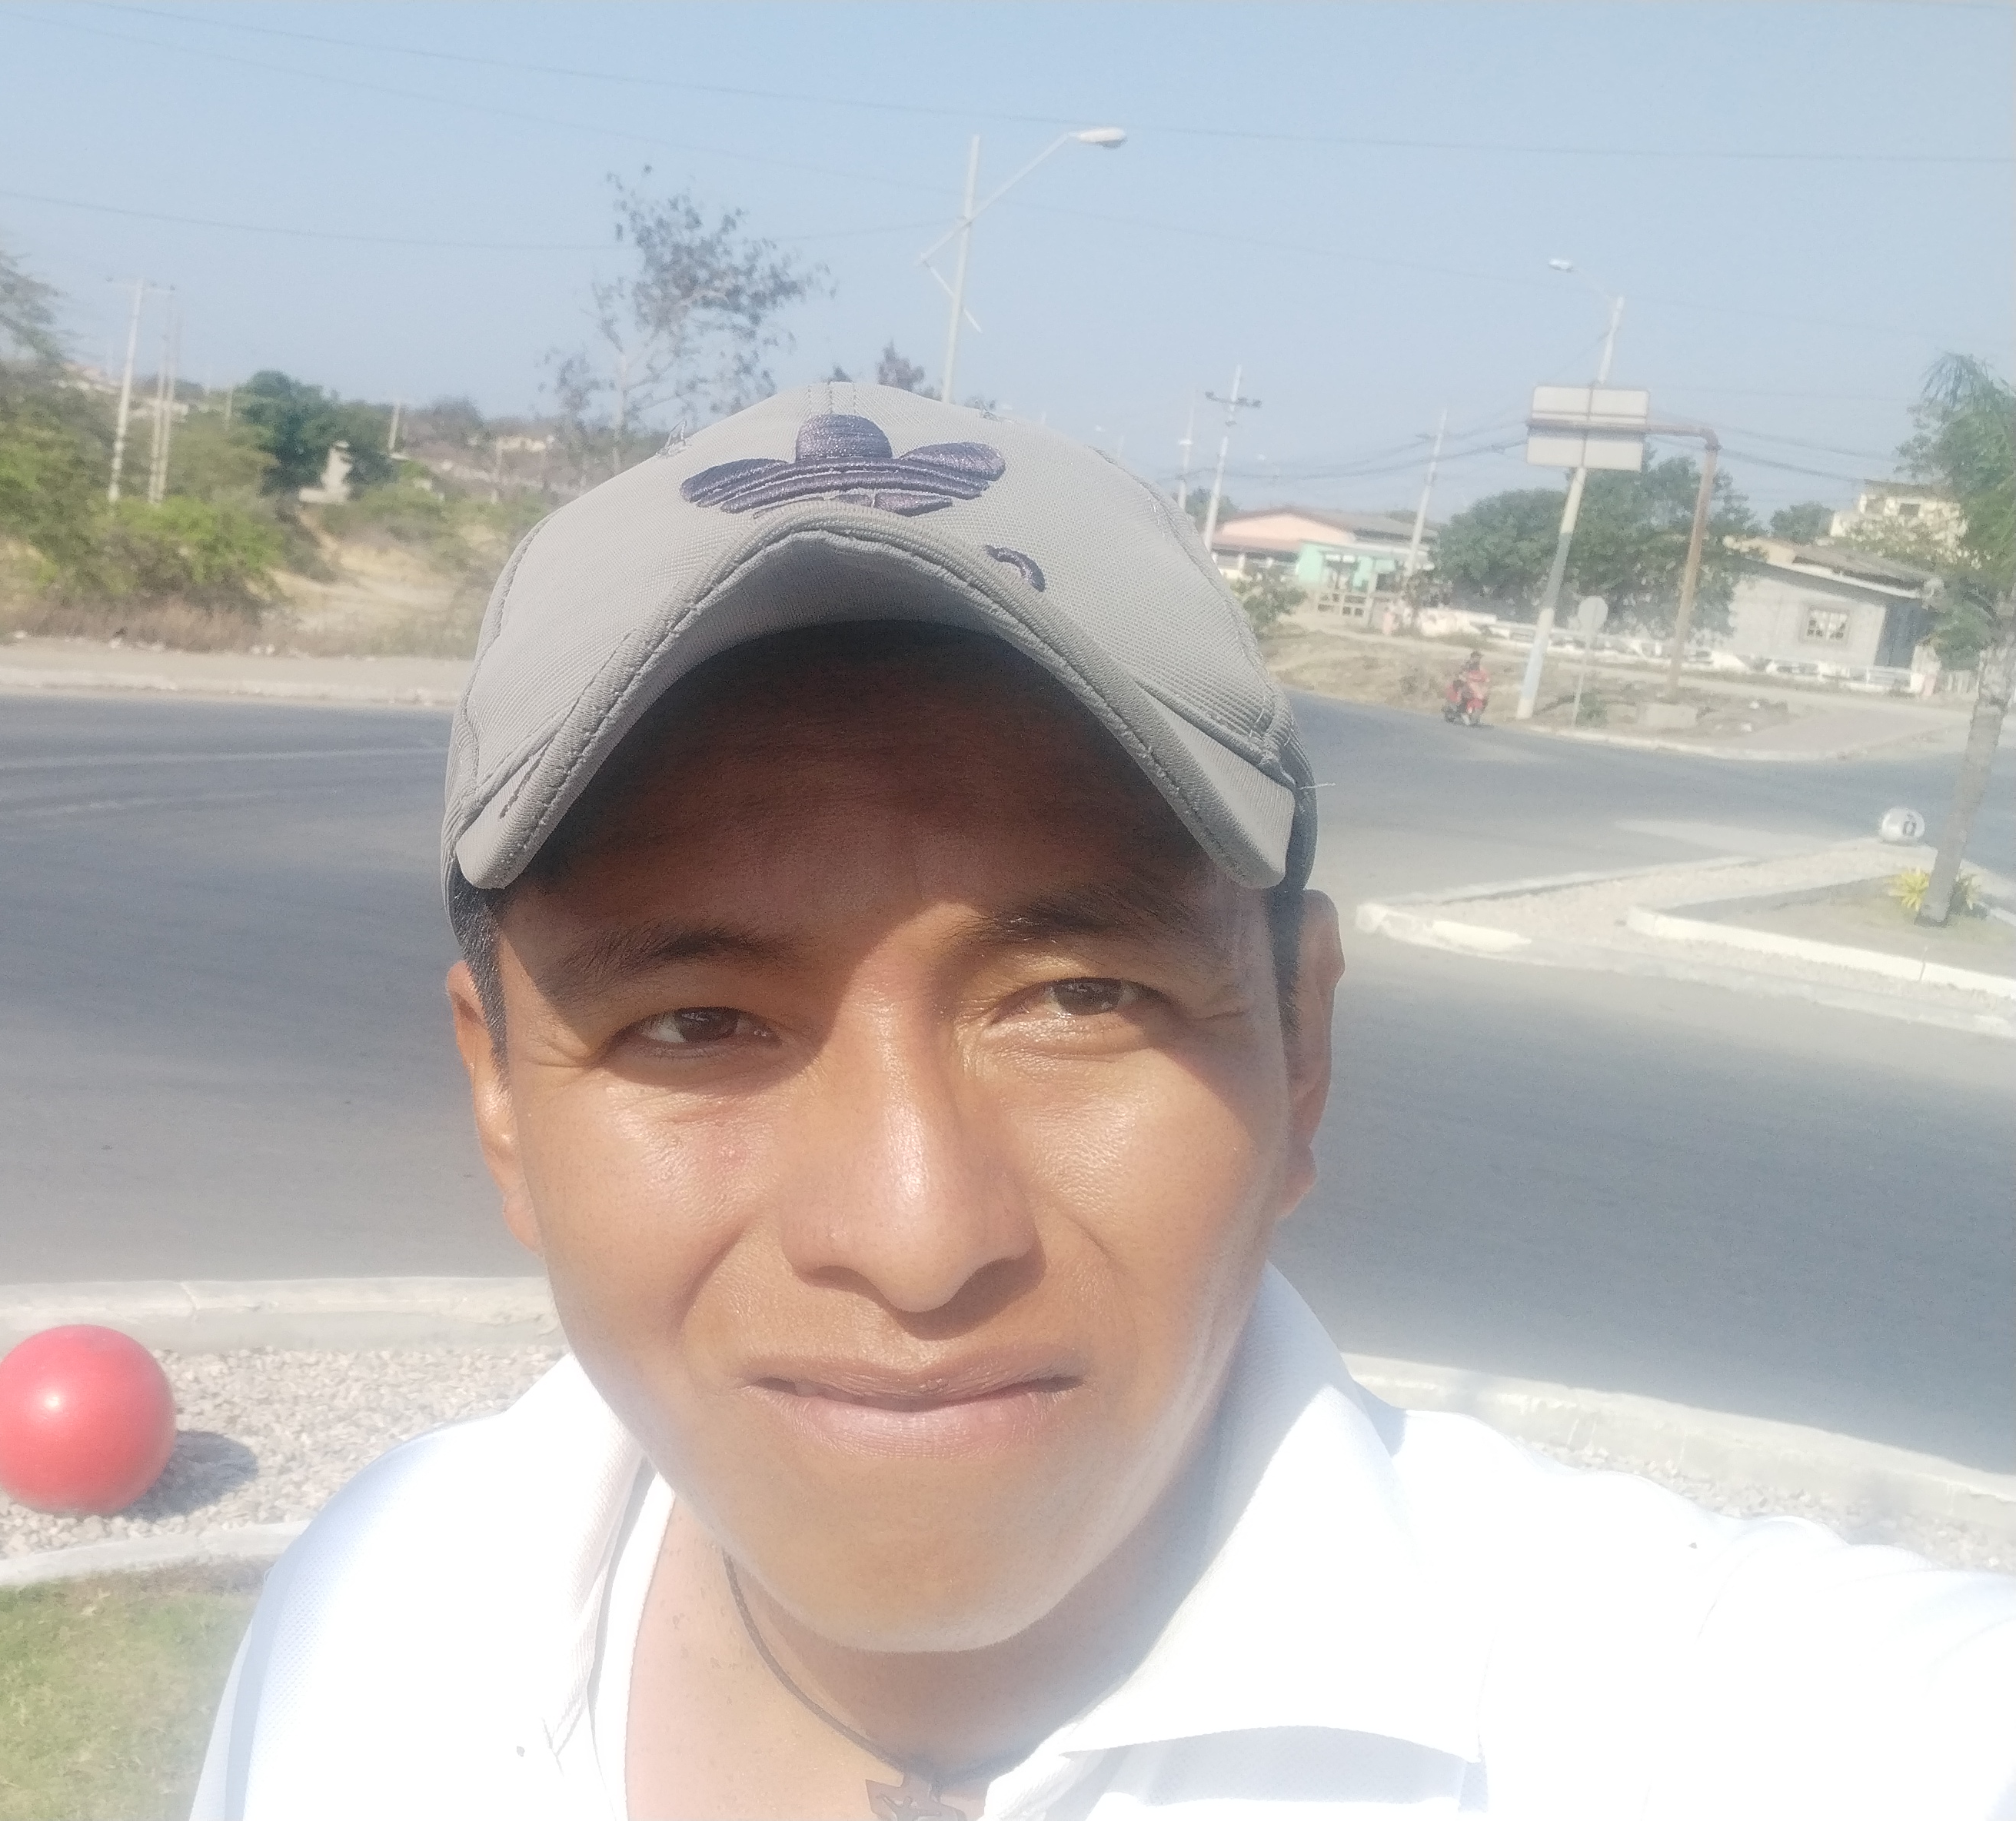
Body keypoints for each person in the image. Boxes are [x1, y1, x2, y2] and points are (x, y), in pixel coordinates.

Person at [191, 384, 2015, 1820]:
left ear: (1300, 1051)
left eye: (1081, 995)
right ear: (501, 1100)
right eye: (694, 1022)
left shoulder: (1734, 1724)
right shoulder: (381, 1611)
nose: (916, 1238)